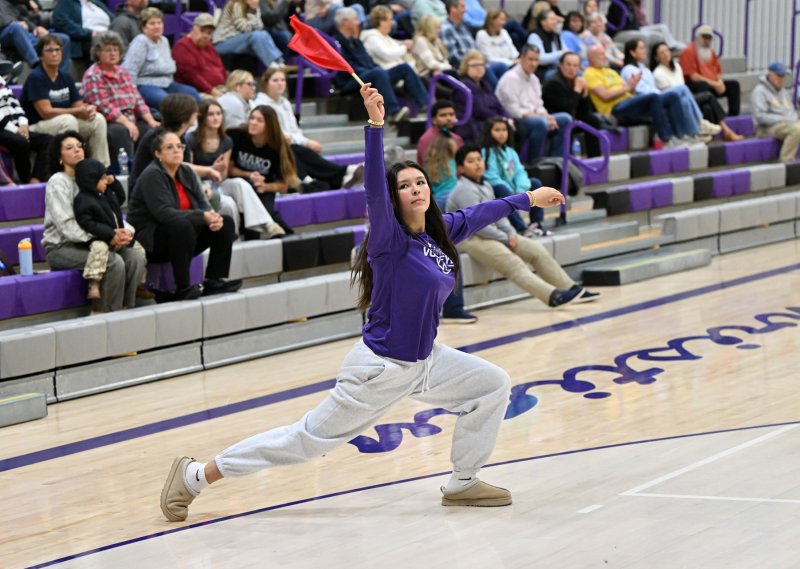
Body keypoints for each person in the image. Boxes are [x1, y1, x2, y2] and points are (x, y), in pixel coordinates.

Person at [159, 82, 573, 522]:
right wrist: (375, 125)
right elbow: (374, 188)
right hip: (380, 370)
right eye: (406, 185)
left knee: (492, 384)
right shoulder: (388, 240)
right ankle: (194, 477)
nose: (416, 189)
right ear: (393, 199)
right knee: (305, 441)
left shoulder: (438, 233)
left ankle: (464, 481)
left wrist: (527, 198)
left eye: (420, 182)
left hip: (424, 361)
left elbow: (478, 215)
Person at [447, 144, 599, 309]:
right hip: (470, 238)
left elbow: (496, 215)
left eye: (479, 159)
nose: (477, 164)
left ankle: (570, 288)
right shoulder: (464, 190)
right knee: (513, 262)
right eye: (471, 161)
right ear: (460, 168)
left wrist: (511, 233)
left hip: (493, 234)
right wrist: (505, 239)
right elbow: (478, 224)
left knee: (536, 250)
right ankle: (553, 296)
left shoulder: (486, 185)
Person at [127, 129, 242, 301]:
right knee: (181, 225)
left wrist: (213, 218)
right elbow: (164, 214)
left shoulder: (187, 172)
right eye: (170, 147)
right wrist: (202, 217)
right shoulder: (152, 175)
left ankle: (214, 280)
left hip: (182, 238)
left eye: (179, 146)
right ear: (158, 153)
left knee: (225, 222)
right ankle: (182, 287)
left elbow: (204, 204)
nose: (177, 151)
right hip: (152, 242)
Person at [43, 131, 147, 312]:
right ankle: (102, 313)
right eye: (69, 148)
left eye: (79, 146)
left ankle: (125, 309)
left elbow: (110, 211)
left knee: (135, 257)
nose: (77, 150)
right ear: (59, 157)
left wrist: (123, 232)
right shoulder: (58, 182)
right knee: (114, 262)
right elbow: (67, 226)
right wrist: (108, 235)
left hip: (98, 241)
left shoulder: (93, 177)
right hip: (62, 247)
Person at [186, 99, 285, 238]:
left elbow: (225, 175)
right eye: (211, 114)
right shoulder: (191, 139)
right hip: (199, 184)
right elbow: (186, 169)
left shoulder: (226, 140)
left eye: (219, 113)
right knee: (229, 203)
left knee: (240, 183)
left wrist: (219, 171)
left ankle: (268, 224)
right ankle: (234, 237)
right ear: (202, 117)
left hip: (218, 182)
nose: (216, 118)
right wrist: (211, 168)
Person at [253, 67, 365, 189]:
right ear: (266, 83)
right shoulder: (261, 104)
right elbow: (279, 133)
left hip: (291, 142)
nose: (280, 83)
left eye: (282, 80)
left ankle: (340, 178)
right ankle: (344, 172)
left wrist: (304, 141)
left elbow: (294, 129)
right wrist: (306, 142)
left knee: (303, 151)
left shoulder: (284, 102)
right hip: (275, 145)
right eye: (275, 80)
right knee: (297, 150)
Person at [21, 34, 110, 165]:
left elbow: (78, 104)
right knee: (68, 120)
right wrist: (77, 111)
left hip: (63, 122)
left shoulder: (65, 77)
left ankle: (100, 168)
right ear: (41, 55)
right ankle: (70, 168)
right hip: (36, 126)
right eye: (49, 50)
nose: (54, 54)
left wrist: (87, 109)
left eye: (57, 50)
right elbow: (46, 112)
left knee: (98, 119)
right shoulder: (36, 77)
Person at [82, 31, 161, 174]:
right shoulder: (93, 75)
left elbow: (137, 98)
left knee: (151, 131)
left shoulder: (122, 71)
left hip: (131, 117)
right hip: (109, 121)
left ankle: (150, 174)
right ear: (98, 53)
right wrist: (126, 122)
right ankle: (124, 176)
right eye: (107, 50)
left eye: (115, 49)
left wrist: (150, 120)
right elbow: (103, 105)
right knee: (122, 132)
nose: (113, 53)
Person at [333, 7, 426, 122]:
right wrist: (370, 72)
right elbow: (346, 68)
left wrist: (372, 70)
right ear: (345, 22)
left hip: (368, 75)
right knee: (378, 72)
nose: (359, 23)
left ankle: (425, 106)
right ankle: (393, 112)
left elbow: (369, 61)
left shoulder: (356, 41)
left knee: (404, 68)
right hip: (350, 81)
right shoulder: (336, 42)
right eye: (355, 19)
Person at [73, 158, 147, 300]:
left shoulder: (107, 195)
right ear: (91, 180)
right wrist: (109, 233)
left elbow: (121, 197)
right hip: (102, 237)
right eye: (102, 179)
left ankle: (139, 284)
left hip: (117, 237)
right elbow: (87, 222)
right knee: (98, 249)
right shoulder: (83, 200)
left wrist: (114, 183)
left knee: (139, 250)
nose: (106, 181)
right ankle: (94, 283)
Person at [583, 44, 681, 148]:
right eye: (601, 54)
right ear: (592, 58)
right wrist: (628, 87)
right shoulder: (589, 73)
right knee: (653, 97)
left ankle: (681, 134)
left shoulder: (611, 71)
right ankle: (666, 138)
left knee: (672, 96)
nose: (606, 56)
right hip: (614, 109)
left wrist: (633, 84)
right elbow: (605, 95)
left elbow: (628, 91)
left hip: (628, 102)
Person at [650, 41, 742, 142]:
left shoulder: (677, 67)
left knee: (707, 106)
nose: (665, 54)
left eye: (667, 51)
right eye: (661, 53)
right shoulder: (657, 74)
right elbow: (673, 95)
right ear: (656, 58)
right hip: (676, 103)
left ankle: (712, 135)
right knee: (708, 96)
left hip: (686, 98)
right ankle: (724, 130)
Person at [228, 105, 300, 233]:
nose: (253, 123)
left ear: (270, 126)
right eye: (252, 118)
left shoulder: (278, 147)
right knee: (251, 222)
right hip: (239, 184)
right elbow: (230, 170)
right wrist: (249, 174)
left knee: (264, 213)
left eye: (259, 120)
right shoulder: (238, 135)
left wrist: (265, 186)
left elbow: (283, 186)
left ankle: (289, 237)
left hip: (264, 188)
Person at [621, 38, 708, 143]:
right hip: (644, 101)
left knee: (684, 101)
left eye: (644, 48)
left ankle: (693, 133)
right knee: (682, 89)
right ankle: (700, 121)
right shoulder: (628, 69)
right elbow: (641, 91)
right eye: (641, 48)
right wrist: (660, 93)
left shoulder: (644, 68)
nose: (645, 51)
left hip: (655, 97)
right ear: (632, 52)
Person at [495, 44, 572, 161]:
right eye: (530, 59)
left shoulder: (534, 79)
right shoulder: (510, 78)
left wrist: (547, 116)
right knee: (540, 123)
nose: (533, 64)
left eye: (536, 60)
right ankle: (534, 162)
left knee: (565, 119)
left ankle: (556, 160)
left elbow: (539, 105)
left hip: (534, 116)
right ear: (521, 59)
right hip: (514, 119)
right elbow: (513, 110)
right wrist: (541, 118)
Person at [480, 117, 549, 236]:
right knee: (502, 189)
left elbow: (519, 172)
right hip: (497, 190)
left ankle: (536, 223)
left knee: (535, 183)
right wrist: (512, 193)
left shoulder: (510, 151)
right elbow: (491, 177)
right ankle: (521, 227)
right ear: (489, 132)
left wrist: (520, 189)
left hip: (513, 189)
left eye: (504, 130)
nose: (502, 133)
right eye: (497, 130)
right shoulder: (486, 152)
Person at [121, 7, 200, 110]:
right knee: (168, 101)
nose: (157, 26)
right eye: (152, 23)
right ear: (144, 27)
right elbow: (129, 70)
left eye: (159, 23)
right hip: (146, 85)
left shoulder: (164, 41)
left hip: (167, 83)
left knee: (192, 93)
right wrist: (132, 96)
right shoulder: (141, 41)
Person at [542, 51, 603, 158]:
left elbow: (585, 112)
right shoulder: (553, 83)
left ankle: (595, 159)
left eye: (575, 66)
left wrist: (584, 93)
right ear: (561, 66)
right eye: (568, 65)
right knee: (568, 121)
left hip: (571, 118)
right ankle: (565, 160)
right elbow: (567, 110)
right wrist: (577, 90)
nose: (572, 69)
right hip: (554, 120)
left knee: (592, 120)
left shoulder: (576, 81)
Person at [440, 0, 505, 89]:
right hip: (464, 67)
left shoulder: (464, 27)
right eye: (462, 7)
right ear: (453, 9)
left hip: (476, 63)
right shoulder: (446, 29)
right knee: (485, 70)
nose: (465, 10)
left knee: (501, 66)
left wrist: (480, 61)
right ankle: (499, 98)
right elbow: (453, 57)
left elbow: (475, 49)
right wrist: (475, 64)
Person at [679, 24, 740, 117]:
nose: (707, 41)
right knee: (703, 86)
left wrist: (719, 83)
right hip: (694, 84)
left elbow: (718, 71)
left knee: (734, 85)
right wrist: (715, 84)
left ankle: (733, 116)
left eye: (709, 38)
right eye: (704, 37)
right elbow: (693, 77)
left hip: (712, 83)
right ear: (698, 38)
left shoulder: (711, 53)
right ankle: (716, 116)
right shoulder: (688, 51)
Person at [0, 74, 50, 183]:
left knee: (48, 140)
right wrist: (16, 130)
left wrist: (23, 124)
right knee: (21, 142)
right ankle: (25, 180)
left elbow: (15, 104)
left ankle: (36, 179)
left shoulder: (1, 80)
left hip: (15, 126)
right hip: (3, 128)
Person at [0, 0, 72, 74]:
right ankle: (37, 66)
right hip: (5, 34)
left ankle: (62, 77)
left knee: (63, 39)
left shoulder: (19, 4)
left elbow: (27, 17)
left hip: (26, 36)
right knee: (16, 27)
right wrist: (11, 22)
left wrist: (36, 28)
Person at [213, 0, 287, 71]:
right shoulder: (235, 4)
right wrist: (252, 11)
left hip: (239, 40)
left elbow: (260, 26)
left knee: (264, 34)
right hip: (222, 43)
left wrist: (254, 10)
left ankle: (279, 62)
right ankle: (271, 64)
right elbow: (244, 28)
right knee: (256, 36)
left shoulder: (254, 7)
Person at [452, 49, 507, 144]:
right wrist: (500, 119)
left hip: (490, 122)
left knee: (520, 128)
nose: (479, 68)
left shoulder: (485, 85)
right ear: (466, 67)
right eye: (474, 65)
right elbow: (479, 110)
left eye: (481, 65)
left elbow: (498, 105)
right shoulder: (463, 87)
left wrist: (507, 118)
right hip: (473, 127)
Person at [751, 61, 800, 163]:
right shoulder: (759, 91)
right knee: (797, 129)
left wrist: (791, 119)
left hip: (785, 125)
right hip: (766, 128)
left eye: (783, 76)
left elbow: (791, 111)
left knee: (797, 126)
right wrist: (783, 119)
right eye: (779, 76)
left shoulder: (783, 92)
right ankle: (786, 160)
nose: (782, 79)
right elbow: (760, 117)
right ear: (770, 75)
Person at [173, 13, 227, 98]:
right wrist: (212, 91)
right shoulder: (182, 46)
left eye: (209, 33)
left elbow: (221, 68)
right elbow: (191, 76)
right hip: (199, 92)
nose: (206, 36)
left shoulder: (208, 46)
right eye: (202, 31)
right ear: (193, 29)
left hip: (219, 88)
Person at [360, 5, 415, 71]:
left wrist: (404, 43)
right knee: (407, 68)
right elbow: (387, 54)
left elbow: (395, 44)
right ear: (381, 22)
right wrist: (405, 47)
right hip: (387, 73)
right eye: (390, 19)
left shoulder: (385, 36)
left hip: (397, 70)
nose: (392, 23)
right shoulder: (372, 38)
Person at [475, 9, 518, 74]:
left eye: (505, 20)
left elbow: (512, 49)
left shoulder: (504, 32)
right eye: (501, 20)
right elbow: (489, 59)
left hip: (510, 64)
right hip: (492, 68)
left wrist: (517, 59)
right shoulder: (482, 35)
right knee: (501, 67)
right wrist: (510, 62)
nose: (504, 23)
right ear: (492, 20)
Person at [527, 9, 564, 82]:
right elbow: (540, 59)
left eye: (556, 19)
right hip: (541, 72)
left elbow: (566, 51)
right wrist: (561, 53)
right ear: (543, 22)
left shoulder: (556, 35)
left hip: (556, 68)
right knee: (562, 75)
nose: (555, 22)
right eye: (552, 19)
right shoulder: (535, 36)